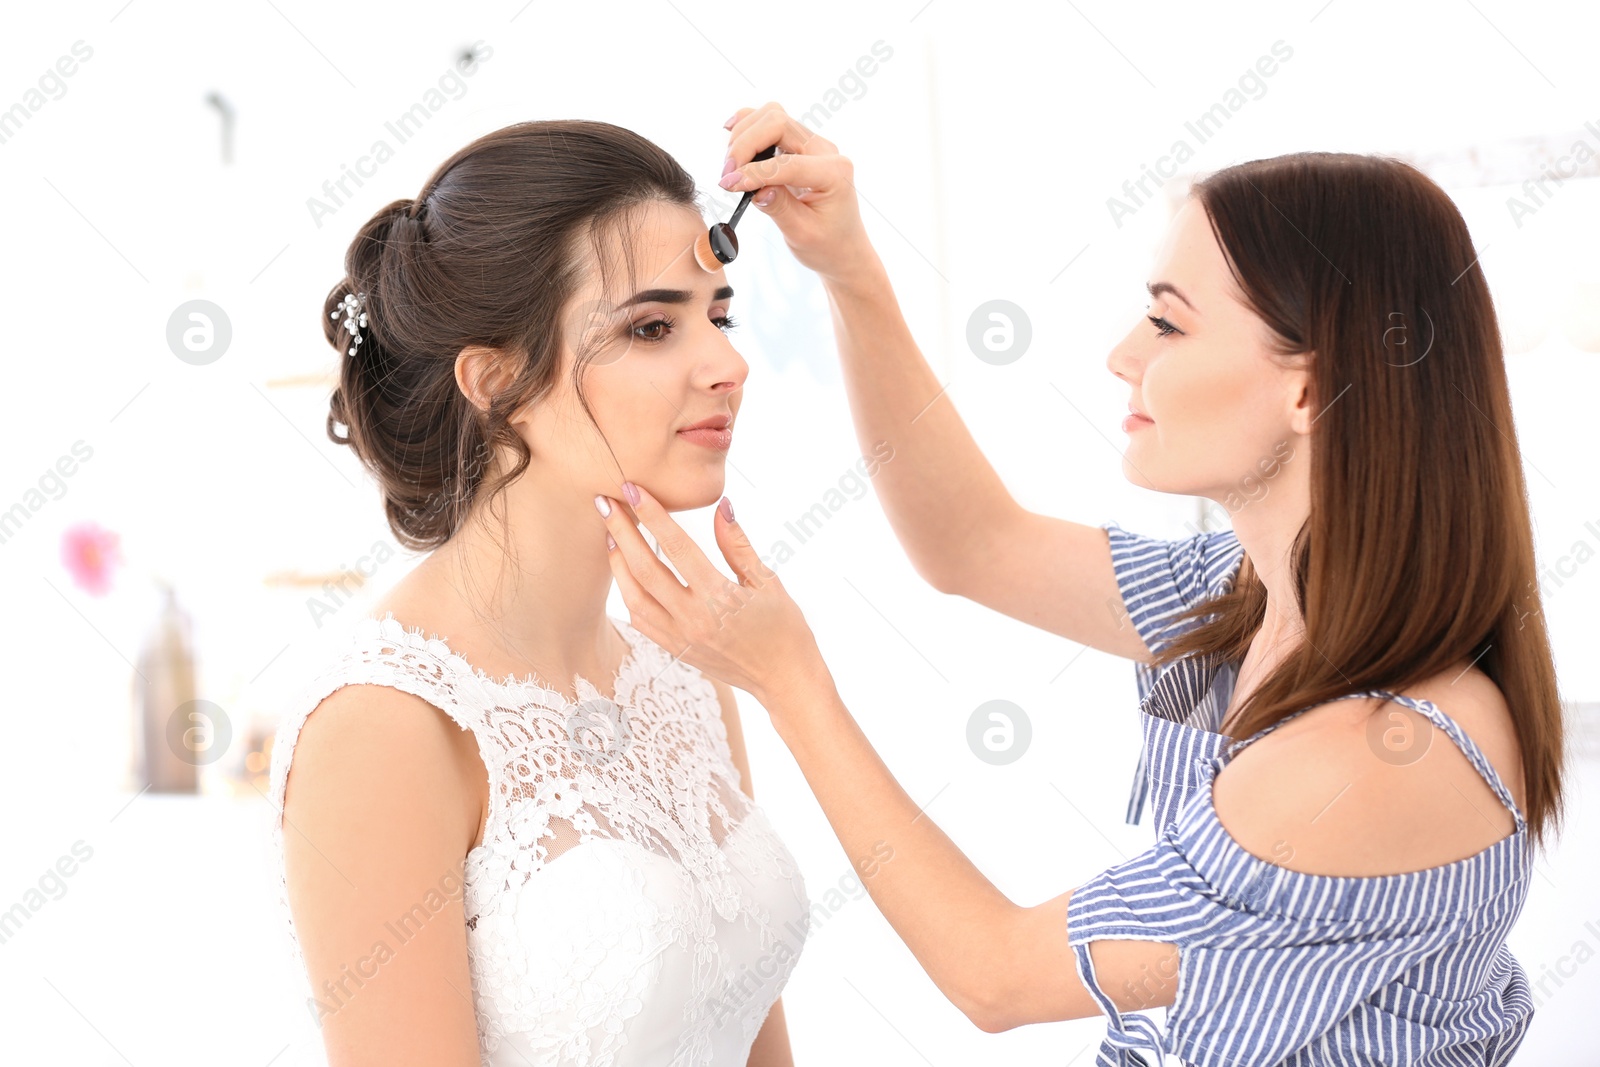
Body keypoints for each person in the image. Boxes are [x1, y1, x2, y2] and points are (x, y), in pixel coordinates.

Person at [594, 102, 1567, 1065]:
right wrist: (847, 269)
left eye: (1166, 324)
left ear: (1308, 389)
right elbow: (971, 543)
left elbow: (997, 973)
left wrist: (789, 682)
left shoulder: (1368, 756)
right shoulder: (1248, 601)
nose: (1122, 357)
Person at [267, 120, 809, 1066]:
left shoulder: (689, 672)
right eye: (651, 326)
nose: (728, 365)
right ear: (494, 380)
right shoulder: (385, 722)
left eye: (716, 315)